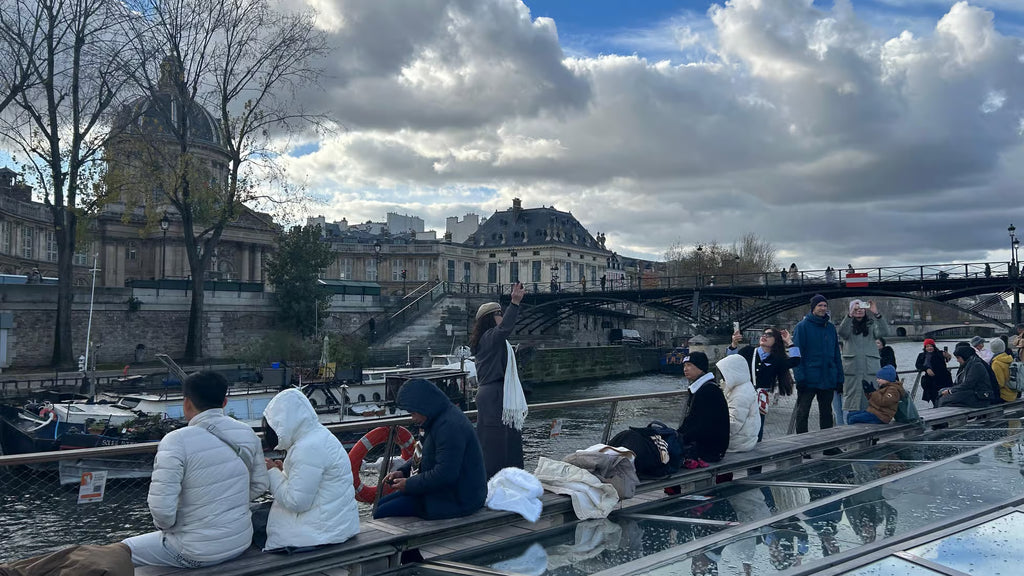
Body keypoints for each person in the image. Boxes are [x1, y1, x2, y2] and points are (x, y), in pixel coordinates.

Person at [122, 371, 269, 568]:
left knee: (119, 551)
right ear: (224, 402)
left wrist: (175, 526)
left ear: (187, 403)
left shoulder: (176, 441)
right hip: (239, 541)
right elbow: (260, 484)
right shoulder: (246, 433)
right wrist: (228, 501)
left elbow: (162, 513)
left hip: (193, 550)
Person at [259, 388, 359, 551]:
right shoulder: (319, 436)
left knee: (255, 525)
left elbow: (297, 502)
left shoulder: (306, 448)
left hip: (317, 535)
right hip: (337, 526)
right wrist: (282, 471)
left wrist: (271, 472)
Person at [375, 379, 487, 519]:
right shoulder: (435, 419)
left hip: (458, 499)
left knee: (382, 512)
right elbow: (423, 454)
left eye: (413, 413)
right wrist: (403, 472)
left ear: (423, 406)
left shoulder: (450, 426)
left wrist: (408, 484)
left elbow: (445, 474)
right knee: (381, 505)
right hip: (444, 493)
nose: (413, 418)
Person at [470, 282, 527, 478]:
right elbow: (505, 328)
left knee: (508, 441)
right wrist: (515, 303)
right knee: (496, 445)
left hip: (498, 394)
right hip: (494, 396)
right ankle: (495, 481)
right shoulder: (489, 338)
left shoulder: (490, 341)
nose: (501, 317)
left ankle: (511, 479)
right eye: (499, 313)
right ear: (490, 318)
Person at [727, 327, 800, 441]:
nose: (764, 336)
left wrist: (789, 342)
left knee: (757, 429)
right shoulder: (748, 351)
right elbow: (731, 361)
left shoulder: (777, 359)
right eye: (763, 334)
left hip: (760, 399)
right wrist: (734, 344)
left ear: (776, 341)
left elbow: (796, 360)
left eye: (769, 335)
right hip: (743, 397)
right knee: (738, 427)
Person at [792, 295, 843, 436]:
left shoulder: (830, 328)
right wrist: (800, 378)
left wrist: (839, 378)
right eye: (820, 305)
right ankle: (803, 443)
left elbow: (836, 354)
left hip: (827, 377)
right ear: (813, 308)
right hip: (808, 378)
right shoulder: (802, 327)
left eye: (825, 306)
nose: (823, 308)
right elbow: (796, 354)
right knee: (803, 412)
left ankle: (827, 442)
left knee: (827, 413)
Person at [837, 300, 890, 423]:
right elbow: (842, 332)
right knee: (853, 402)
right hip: (853, 371)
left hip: (869, 369)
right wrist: (849, 316)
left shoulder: (872, 325)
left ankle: (871, 429)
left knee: (872, 401)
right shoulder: (847, 325)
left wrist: (877, 314)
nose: (859, 311)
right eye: (856, 309)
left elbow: (884, 332)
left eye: (861, 308)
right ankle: (853, 426)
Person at [676, 351, 730, 463]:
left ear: (700, 368)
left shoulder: (708, 390)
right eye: (684, 366)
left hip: (709, 450)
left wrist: (679, 438)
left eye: (689, 365)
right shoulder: (705, 387)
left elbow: (700, 425)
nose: (685, 369)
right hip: (710, 447)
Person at [716, 353, 759, 453]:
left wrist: (715, 435)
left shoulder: (740, 394)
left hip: (739, 442)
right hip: (745, 438)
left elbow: (734, 424)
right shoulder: (742, 387)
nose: (722, 378)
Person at [915, 339, 953, 408]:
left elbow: (948, 359)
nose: (929, 348)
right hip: (931, 380)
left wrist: (948, 356)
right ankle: (937, 407)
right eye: (927, 346)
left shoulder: (940, 353)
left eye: (931, 346)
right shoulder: (922, 355)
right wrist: (926, 369)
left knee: (945, 396)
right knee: (934, 397)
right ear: (925, 348)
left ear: (934, 346)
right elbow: (918, 365)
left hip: (943, 379)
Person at [990, 338, 1016, 403]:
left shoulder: (996, 363)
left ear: (992, 349)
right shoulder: (1010, 359)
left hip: (1004, 395)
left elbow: (1000, 383)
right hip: (1013, 394)